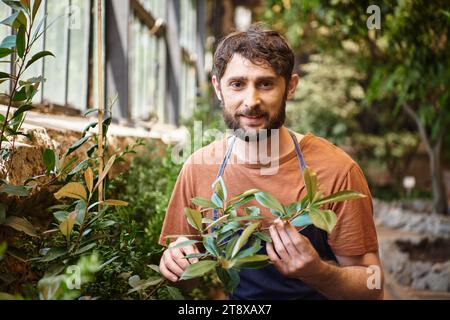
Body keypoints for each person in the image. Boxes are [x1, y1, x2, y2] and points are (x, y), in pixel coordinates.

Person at [158, 24, 384, 300]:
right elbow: (182, 285)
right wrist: (177, 264)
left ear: (290, 87)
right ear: (218, 88)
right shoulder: (198, 168)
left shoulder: (337, 171)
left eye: (265, 84)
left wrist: (319, 273)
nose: (251, 101)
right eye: (237, 84)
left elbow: (373, 287)